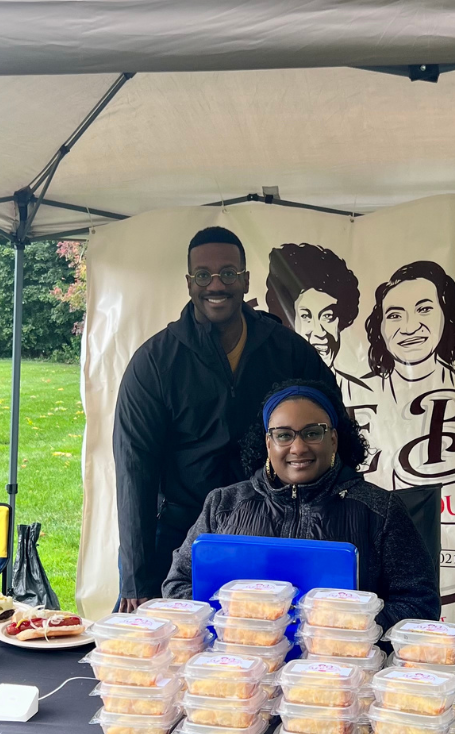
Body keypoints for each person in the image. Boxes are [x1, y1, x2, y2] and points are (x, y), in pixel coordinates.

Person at [114, 227, 340, 611]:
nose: (216, 284)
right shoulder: (154, 363)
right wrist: (137, 578)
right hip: (182, 536)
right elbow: (134, 470)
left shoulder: (287, 350)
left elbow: (335, 435)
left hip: (273, 533)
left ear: (245, 279)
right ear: (189, 283)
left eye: (228, 273)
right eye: (203, 275)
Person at [162, 379, 439, 630]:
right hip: (240, 668)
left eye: (312, 433)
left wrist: (350, 625)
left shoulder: (381, 510)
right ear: (268, 443)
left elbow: (419, 604)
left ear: (333, 438)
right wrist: (239, 619)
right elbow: (177, 585)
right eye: (284, 435)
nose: (298, 448)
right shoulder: (223, 505)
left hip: (344, 672)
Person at [264, 243, 371, 402]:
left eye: (328, 316)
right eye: (306, 316)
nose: (319, 332)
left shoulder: (365, 395)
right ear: (289, 320)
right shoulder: (270, 395)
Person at [364, 260, 455, 404]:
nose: (409, 328)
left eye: (424, 310)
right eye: (395, 316)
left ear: (446, 315)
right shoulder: (359, 392)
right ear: (380, 326)